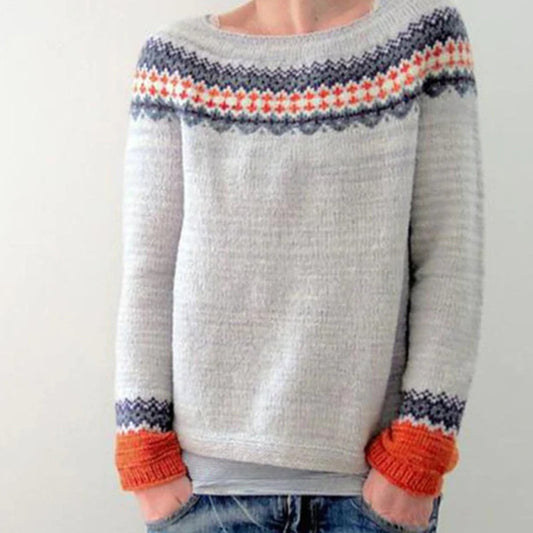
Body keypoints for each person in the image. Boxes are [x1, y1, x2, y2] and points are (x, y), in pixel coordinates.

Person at [113, 0, 484, 531]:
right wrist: (144, 453)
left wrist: (418, 455)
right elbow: (149, 271)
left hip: (370, 494)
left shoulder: (422, 39)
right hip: (205, 493)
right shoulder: (176, 58)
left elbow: (449, 259)